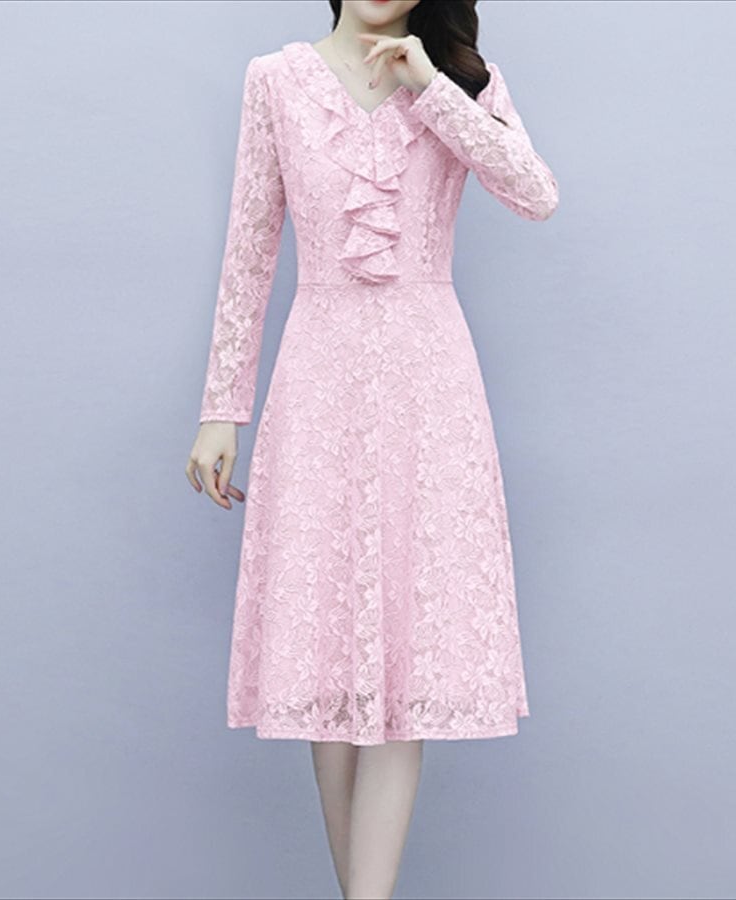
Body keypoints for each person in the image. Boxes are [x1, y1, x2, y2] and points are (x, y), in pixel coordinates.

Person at [185, 1, 559, 897]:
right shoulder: (276, 80)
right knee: (327, 669)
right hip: (317, 378)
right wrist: (222, 407)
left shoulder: (461, 79)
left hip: (430, 387)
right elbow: (250, 247)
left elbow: (535, 193)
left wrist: (432, 87)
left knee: (404, 668)